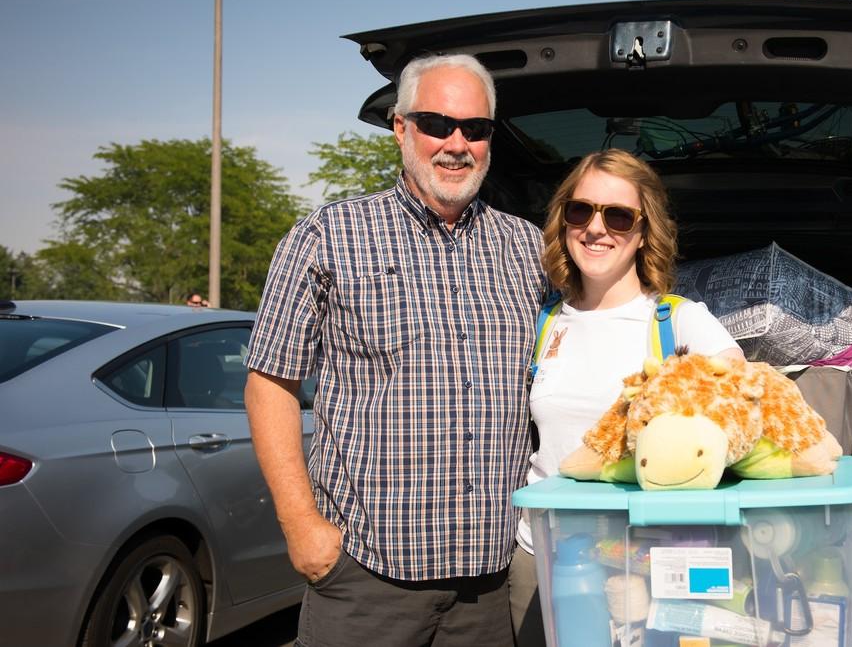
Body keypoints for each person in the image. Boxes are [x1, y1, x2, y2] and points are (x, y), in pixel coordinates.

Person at [245, 53, 544, 647]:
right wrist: (301, 524)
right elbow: (269, 382)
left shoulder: (527, 248)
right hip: (365, 577)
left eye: (476, 129)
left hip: (490, 585)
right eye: (437, 123)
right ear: (401, 128)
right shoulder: (327, 236)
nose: (456, 143)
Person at [508, 149, 743, 646]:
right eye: (581, 210)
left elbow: (744, 405)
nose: (596, 229)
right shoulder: (544, 321)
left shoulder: (679, 320)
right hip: (544, 555)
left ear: (643, 232)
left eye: (618, 216)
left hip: (650, 563)